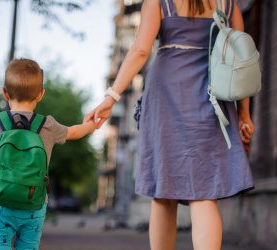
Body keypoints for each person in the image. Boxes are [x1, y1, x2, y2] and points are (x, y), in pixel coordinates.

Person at [86, 0, 254, 249]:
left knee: (164, 192)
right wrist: (244, 114)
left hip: (166, 96)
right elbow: (242, 63)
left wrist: (112, 95)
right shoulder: (228, 5)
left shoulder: (158, 2)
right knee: (204, 194)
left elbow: (141, 50)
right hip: (213, 99)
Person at [0, 58, 96, 250]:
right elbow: (75, 132)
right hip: (33, 205)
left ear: (4, 93)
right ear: (40, 94)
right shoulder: (47, 126)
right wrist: (92, 124)